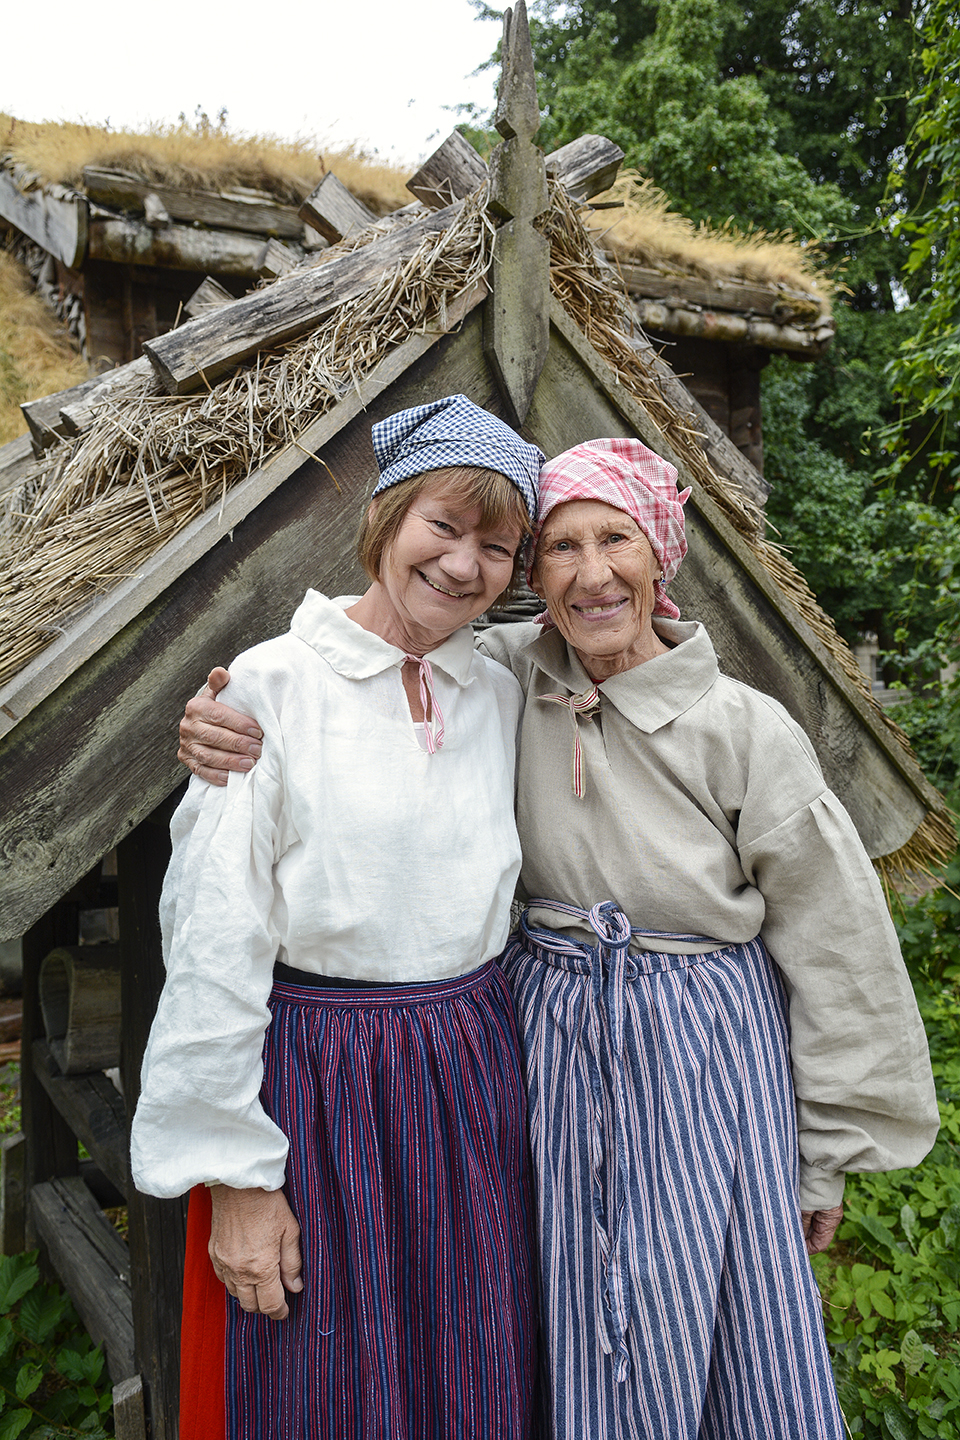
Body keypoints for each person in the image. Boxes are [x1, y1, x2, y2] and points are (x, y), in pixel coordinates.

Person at [179, 435, 939, 1440]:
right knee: (564, 1310)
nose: (592, 574)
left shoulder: (743, 729)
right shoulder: (497, 676)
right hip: (552, 1042)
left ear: (659, 552)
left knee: (707, 1309)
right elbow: (373, 660)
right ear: (533, 579)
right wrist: (222, 712)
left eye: (614, 538)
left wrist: (828, 1148)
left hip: (701, 1048)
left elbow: (838, 945)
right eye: (563, 548)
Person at [130, 394, 545, 1440]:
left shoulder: (497, 687)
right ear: (387, 519)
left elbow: (615, 614)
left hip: (470, 1076)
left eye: (497, 547)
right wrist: (234, 1177)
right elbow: (213, 938)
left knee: (470, 1372)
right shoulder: (271, 687)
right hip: (321, 1085)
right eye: (443, 527)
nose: (463, 566)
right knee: (319, 1392)